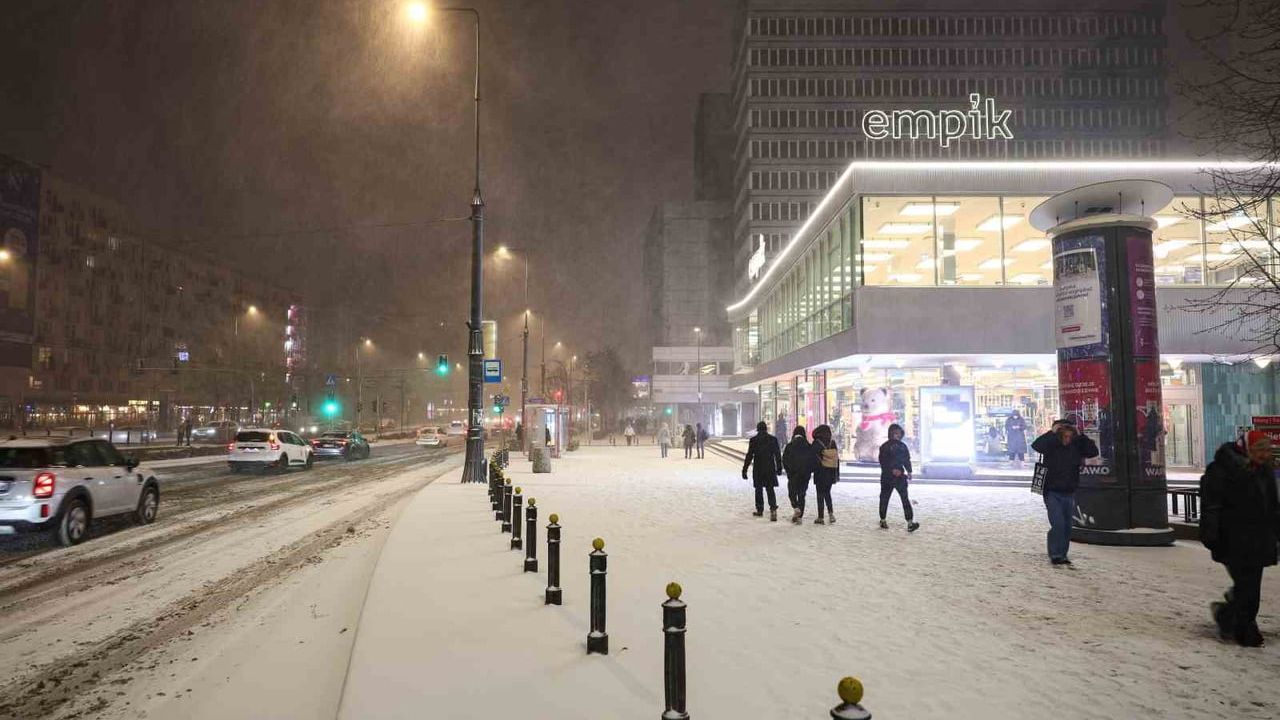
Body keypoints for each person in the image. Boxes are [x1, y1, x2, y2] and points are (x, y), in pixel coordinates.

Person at [1201, 431, 1280, 647]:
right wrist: (1211, 535)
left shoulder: (1264, 471)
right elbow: (1211, 505)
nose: (1265, 454)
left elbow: (1272, 507)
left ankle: (1226, 615)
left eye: (1267, 449)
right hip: (1231, 540)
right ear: (1246, 448)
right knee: (1248, 588)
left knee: (1250, 588)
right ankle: (1246, 631)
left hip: (1259, 540)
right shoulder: (1221, 469)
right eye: (1260, 449)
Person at [1031, 419, 1100, 565]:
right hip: (1051, 491)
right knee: (1058, 523)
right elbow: (1036, 445)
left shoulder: (1077, 444)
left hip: (1069, 491)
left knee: (1067, 526)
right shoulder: (1051, 444)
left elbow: (1093, 451)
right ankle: (1055, 554)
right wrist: (1052, 433)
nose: (1068, 437)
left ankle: (1062, 554)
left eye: (1070, 434)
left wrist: (1081, 436)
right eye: (1064, 434)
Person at [877, 423, 919, 532]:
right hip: (887, 477)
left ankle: (910, 522)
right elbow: (883, 461)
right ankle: (882, 519)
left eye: (899, 433)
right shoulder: (885, 447)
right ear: (890, 433)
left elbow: (906, 460)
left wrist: (909, 471)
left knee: (905, 499)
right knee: (884, 498)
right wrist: (892, 470)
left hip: (900, 477)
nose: (897, 435)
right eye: (895, 433)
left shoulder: (902, 446)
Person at [742, 421, 782, 521]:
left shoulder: (754, 440)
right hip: (769, 468)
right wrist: (779, 468)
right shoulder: (773, 439)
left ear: (758, 429)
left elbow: (749, 455)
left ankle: (760, 510)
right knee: (770, 489)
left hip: (758, 468)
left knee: (758, 489)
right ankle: (773, 509)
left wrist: (745, 470)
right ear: (766, 429)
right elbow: (777, 455)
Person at [782, 426, 814, 524]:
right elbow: (812, 460)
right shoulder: (808, 446)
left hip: (793, 474)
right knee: (801, 495)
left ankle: (796, 507)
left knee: (792, 493)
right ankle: (799, 517)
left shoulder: (790, 446)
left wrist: (789, 471)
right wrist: (809, 471)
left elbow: (785, 460)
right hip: (805, 475)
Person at [811, 424, 839, 524]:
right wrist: (836, 474)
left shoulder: (816, 443)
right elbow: (836, 459)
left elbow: (813, 458)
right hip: (830, 472)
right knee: (827, 493)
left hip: (820, 473)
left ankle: (821, 517)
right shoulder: (832, 443)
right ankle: (831, 514)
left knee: (820, 495)